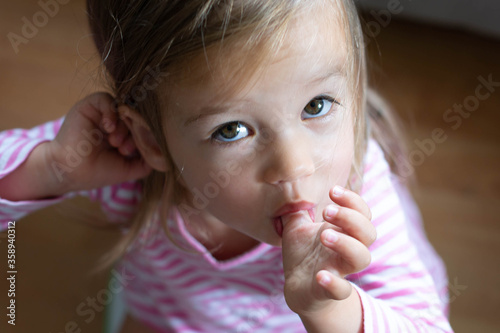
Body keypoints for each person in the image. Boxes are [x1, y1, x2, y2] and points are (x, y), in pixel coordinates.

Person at [0, 0, 453, 332]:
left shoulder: (356, 196)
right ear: (150, 139)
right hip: (171, 317)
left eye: (317, 104)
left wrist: (329, 311)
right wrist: (52, 170)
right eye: (232, 130)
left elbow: (425, 324)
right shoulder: (116, 160)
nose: (295, 169)